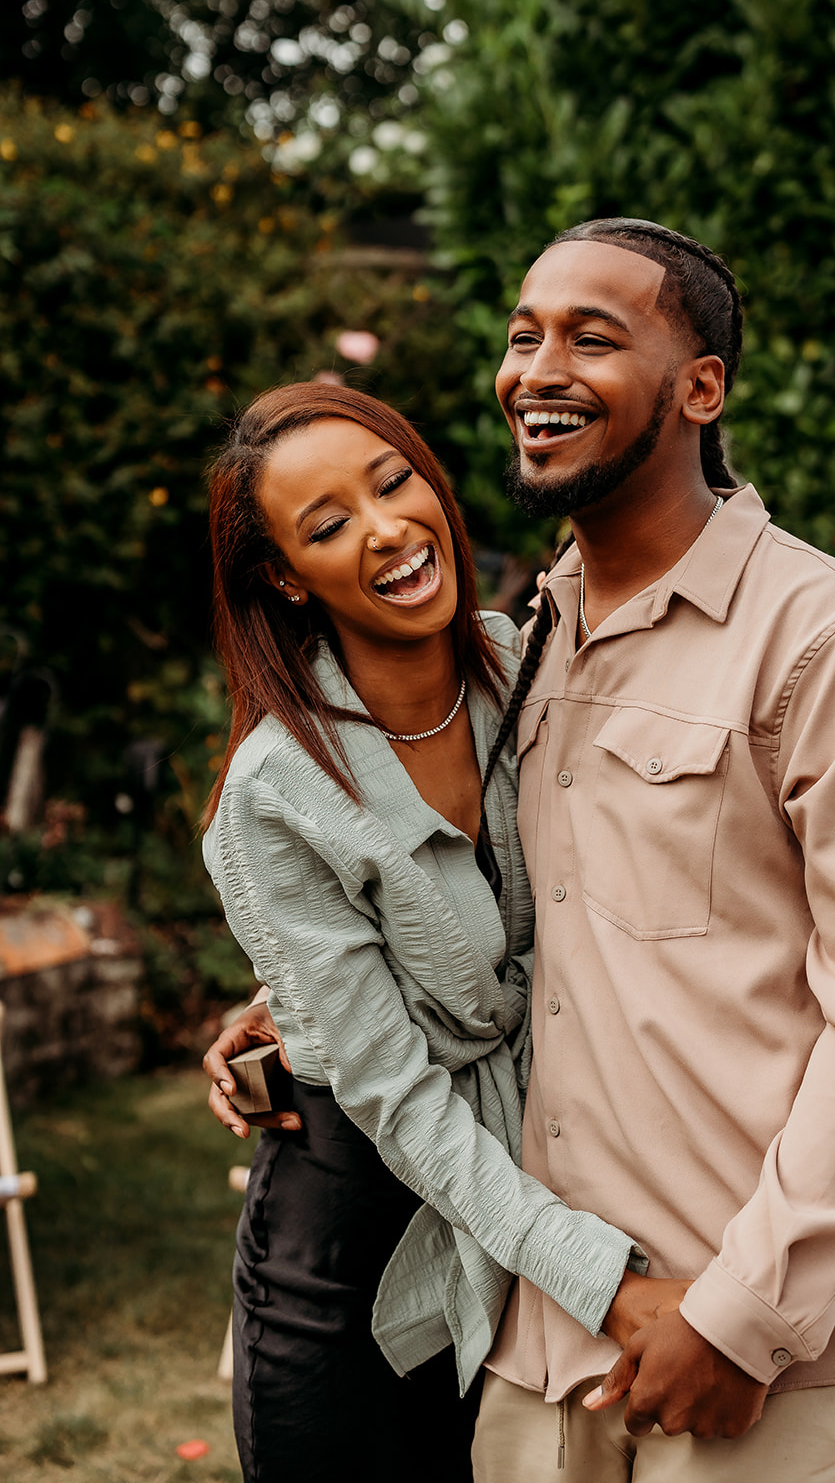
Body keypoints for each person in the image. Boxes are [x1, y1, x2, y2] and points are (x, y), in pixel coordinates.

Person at [208, 222, 835, 1483]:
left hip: (762, 1351)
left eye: (592, 334)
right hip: (545, 1337)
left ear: (701, 385)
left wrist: (742, 1315)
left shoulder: (831, 639)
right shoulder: (536, 642)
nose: (538, 364)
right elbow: (550, 919)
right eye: (522, 335)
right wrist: (292, 1007)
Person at [200, 381, 681, 1483]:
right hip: (356, 1252)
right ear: (284, 576)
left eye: (392, 480)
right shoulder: (275, 796)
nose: (385, 529)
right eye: (326, 526)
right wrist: (601, 1278)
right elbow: (398, 1100)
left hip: (548, 1183)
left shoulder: (537, 666)